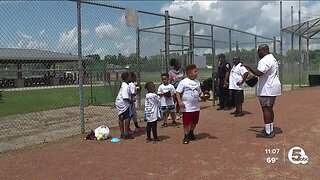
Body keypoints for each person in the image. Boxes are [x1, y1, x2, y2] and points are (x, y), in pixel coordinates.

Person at [242, 44, 281, 138]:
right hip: (273, 87)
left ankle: (268, 132)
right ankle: (270, 128)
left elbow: (259, 73)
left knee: (266, 109)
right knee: (269, 108)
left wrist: (248, 67)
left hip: (267, 89)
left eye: (259, 51)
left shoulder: (265, 60)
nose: (258, 53)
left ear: (264, 50)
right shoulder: (272, 59)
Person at [176, 64, 204, 144]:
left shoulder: (197, 82)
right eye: (195, 71)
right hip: (187, 106)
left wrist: (202, 96)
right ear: (189, 73)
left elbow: (200, 92)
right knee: (186, 122)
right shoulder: (184, 82)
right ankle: (186, 136)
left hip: (196, 106)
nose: (196, 73)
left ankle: (191, 132)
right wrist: (180, 102)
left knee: (195, 121)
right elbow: (177, 92)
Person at [115, 72, 134, 140]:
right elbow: (125, 97)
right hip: (123, 104)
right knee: (127, 117)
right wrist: (131, 101)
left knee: (121, 117)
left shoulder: (125, 85)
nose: (130, 78)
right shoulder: (125, 86)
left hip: (120, 103)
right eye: (129, 77)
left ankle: (122, 134)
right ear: (127, 78)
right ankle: (126, 133)